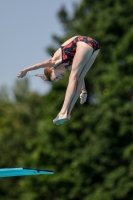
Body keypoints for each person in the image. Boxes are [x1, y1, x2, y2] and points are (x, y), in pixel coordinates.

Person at [17, 35, 100, 125]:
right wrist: (83, 91)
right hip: (95, 47)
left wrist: (26, 69)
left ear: (51, 69)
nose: (60, 77)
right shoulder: (69, 66)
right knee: (78, 78)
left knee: (73, 78)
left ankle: (63, 111)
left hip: (84, 42)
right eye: (58, 79)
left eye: (56, 77)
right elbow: (80, 78)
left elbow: (40, 64)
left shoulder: (54, 62)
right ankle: (67, 113)